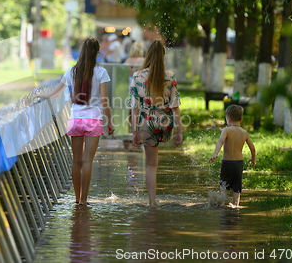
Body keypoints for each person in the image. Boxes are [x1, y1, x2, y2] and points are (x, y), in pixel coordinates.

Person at [36, 37, 115, 206]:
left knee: (76, 161)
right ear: (97, 53)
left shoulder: (72, 71)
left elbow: (56, 93)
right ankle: (84, 201)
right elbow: (104, 101)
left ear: (82, 52)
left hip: (75, 120)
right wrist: (110, 122)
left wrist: (44, 96)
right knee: (87, 161)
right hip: (93, 120)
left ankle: (77, 198)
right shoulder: (101, 72)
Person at [128, 40, 183, 206]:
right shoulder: (170, 76)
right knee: (154, 162)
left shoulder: (138, 76)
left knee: (151, 165)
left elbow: (135, 107)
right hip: (165, 124)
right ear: (163, 56)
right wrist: (179, 132)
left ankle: (152, 203)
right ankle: (154, 201)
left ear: (148, 54)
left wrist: (134, 131)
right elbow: (175, 106)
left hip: (147, 123)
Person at [209, 105, 256, 207]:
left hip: (227, 163)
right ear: (241, 119)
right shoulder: (245, 133)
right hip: (238, 164)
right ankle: (236, 206)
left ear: (228, 119)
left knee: (223, 185)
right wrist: (253, 159)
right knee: (236, 187)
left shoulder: (226, 130)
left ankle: (222, 202)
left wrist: (215, 154)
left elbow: (220, 142)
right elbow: (253, 148)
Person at [124, 42, 145, 133]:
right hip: (140, 85)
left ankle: (129, 130)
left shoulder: (128, 60)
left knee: (129, 109)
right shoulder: (143, 60)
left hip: (129, 84)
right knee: (139, 109)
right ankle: (137, 130)